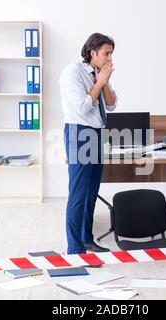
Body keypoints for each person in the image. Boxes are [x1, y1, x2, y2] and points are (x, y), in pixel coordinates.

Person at [59, 33, 118, 254]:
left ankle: (86, 239)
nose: (110, 58)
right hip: (79, 133)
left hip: (96, 133)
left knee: (91, 192)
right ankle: (74, 249)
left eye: (111, 53)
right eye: (106, 53)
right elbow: (83, 107)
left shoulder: (98, 73)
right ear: (92, 53)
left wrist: (104, 82)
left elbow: (111, 105)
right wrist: (100, 82)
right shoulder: (71, 73)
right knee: (78, 194)